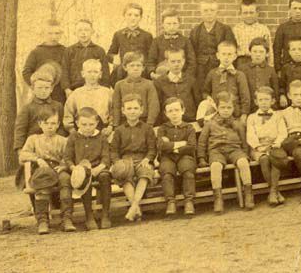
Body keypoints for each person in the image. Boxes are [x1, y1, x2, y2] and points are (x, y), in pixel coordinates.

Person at [197, 91, 254, 213]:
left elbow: (244, 141)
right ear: (217, 108)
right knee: (215, 166)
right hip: (216, 151)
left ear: (233, 108)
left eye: (229, 107)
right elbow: (202, 142)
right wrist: (201, 158)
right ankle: (218, 198)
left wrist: (245, 154)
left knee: (243, 163)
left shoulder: (238, 124)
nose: (226, 110)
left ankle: (248, 194)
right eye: (222, 107)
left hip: (234, 150)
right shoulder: (210, 123)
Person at [62, 107, 113, 230]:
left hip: (98, 168)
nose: (88, 127)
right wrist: (74, 168)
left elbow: (106, 157)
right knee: (85, 178)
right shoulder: (74, 137)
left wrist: (100, 167)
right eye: (84, 124)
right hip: (81, 169)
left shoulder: (101, 137)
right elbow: (67, 157)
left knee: (105, 176)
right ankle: (89, 216)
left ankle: (105, 215)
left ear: (96, 123)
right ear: (77, 123)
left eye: (91, 124)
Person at [109, 94, 157, 222]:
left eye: (136, 108)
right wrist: (117, 162)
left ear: (141, 110)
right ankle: (136, 208)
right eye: (129, 108)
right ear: (123, 111)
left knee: (145, 172)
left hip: (142, 159)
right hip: (125, 160)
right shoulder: (119, 130)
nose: (132, 111)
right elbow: (113, 150)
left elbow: (152, 148)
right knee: (124, 173)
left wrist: (148, 159)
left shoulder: (147, 129)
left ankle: (133, 207)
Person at [19, 109, 68, 234]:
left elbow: (69, 156)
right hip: (41, 169)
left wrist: (63, 165)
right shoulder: (34, 139)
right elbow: (23, 155)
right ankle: (43, 220)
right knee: (43, 179)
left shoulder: (63, 140)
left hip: (58, 169)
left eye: (53, 123)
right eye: (46, 123)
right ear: (40, 124)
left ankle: (67, 218)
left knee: (65, 180)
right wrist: (38, 159)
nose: (50, 127)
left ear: (58, 124)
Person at [156, 97, 199, 217]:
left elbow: (191, 146)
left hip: (185, 156)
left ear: (183, 110)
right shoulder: (162, 129)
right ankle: (170, 201)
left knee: (188, 171)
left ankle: (189, 201)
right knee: (167, 172)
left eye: (177, 110)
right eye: (170, 111)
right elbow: (161, 145)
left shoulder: (189, 128)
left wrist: (170, 146)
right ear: (166, 113)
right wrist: (181, 144)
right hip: (168, 158)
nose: (174, 113)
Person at [246, 87, 287, 206]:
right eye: (261, 100)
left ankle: (273, 192)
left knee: (275, 159)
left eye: (266, 99)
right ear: (256, 102)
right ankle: (275, 191)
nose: (264, 102)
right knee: (264, 159)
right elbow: (250, 135)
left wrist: (276, 143)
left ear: (272, 101)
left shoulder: (277, 116)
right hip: (258, 147)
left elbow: (282, 132)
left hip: (274, 145)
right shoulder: (252, 117)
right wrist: (258, 147)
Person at [14, 69, 66, 156]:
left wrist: (58, 142)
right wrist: (20, 151)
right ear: (33, 89)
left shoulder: (58, 106)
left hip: (54, 147)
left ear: (51, 89)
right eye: (39, 88)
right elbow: (20, 130)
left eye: (46, 88)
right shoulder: (27, 108)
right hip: (34, 147)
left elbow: (61, 127)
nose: (43, 91)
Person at [189, 0, 236, 91]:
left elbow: (231, 49)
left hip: (219, 66)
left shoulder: (225, 29)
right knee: (202, 91)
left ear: (217, 12)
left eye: (212, 10)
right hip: (201, 69)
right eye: (205, 10)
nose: (209, 13)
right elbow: (192, 53)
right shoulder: (195, 31)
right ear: (200, 12)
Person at [22, 19, 68, 104]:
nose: (53, 36)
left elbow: (69, 72)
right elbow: (26, 72)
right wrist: (36, 86)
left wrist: (67, 89)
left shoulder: (66, 51)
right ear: (44, 33)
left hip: (60, 94)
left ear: (61, 34)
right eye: (50, 33)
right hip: (41, 95)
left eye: (57, 33)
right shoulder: (36, 52)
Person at [107, 3, 153, 85]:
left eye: (136, 15)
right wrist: (114, 58)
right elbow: (110, 54)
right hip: (123, 73)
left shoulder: (147, 36)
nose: (133, 18)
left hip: (141, 73)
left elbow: (151, 57)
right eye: (129, 15)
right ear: (124, 16)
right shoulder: (118, 34)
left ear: (140, 17)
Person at [203, 41, 251, 119]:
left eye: (229, 54)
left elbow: (245, 97)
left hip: (235, 114)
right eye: (223, 54)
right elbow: (205, 92)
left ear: (235, 56)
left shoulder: (239, 75)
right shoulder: (212, 73)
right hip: (216, 114)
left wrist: (244, 114)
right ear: (218, 55)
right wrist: (207, 98)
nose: (226, 57)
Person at [110, 51, 159, 128]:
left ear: (143, 68)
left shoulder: (149, 84)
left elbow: (153, 105)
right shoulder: (119, 85)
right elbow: (116, 106)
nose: (135, 68)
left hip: (144, 121)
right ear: (125, 67)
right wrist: (116, 124)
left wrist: (150, 123)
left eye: (138, 65)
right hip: (124, 121)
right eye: (132, 65)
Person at [63, 59, 112, 133]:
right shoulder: (76, 93)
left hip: (102, 131)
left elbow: (113, 112)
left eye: (95, 72)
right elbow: (68, 113)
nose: (92, 75)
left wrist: (110, 127)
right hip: (81, 131)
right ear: (83, 73)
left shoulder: (107, 92)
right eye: (89, 72)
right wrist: (71, 129)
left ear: (100, 74)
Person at [62, 19, 110, 93]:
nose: (83, 33)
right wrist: (67, 89)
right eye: (80, 30)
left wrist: (104, 90)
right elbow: (65, 71)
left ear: (92, 32)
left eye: (86, 30)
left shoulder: (99, 50)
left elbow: (105, 73)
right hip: (74, 89)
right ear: (75, 33)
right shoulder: (69, 50)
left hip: (95, 89)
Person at [147, 7, 196, 79]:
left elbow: (192, 62)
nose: (171, 27)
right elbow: (151, 61)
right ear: (163, 24)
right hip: (162, 78)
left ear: (179, 24)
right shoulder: (156, 41)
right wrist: (152, 73)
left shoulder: (186, 41)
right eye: (168, 24)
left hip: (181, 78)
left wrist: (185, 76)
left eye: (174, 23)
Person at [153, 48, 200, 124]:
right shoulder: (159, 82)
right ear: (167, 62)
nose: (176, 64)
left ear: (183, 61)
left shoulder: (191, 80)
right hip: (168, 122)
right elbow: (157, 105)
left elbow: (198, 101)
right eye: (173, 61)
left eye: (179, 61)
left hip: (189, 120)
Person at [237, 38, 279, 113]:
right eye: (255, 51)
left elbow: (275, 91)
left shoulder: (270, 70)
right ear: (250, 52)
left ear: (267, 54)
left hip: (266, 108)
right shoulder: (242, 69)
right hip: (248, 108)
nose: (258, 54)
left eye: (261, 52)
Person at [232, 0, 274, 68]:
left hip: (259, 62)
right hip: (242, 62)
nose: (248, 16)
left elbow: (269, 51)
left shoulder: (263, 29)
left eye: (251, 12)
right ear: (240, 14)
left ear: (257, 13)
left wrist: (271, 66)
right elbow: (232, 50)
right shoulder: (236, 29)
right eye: (245, 13)